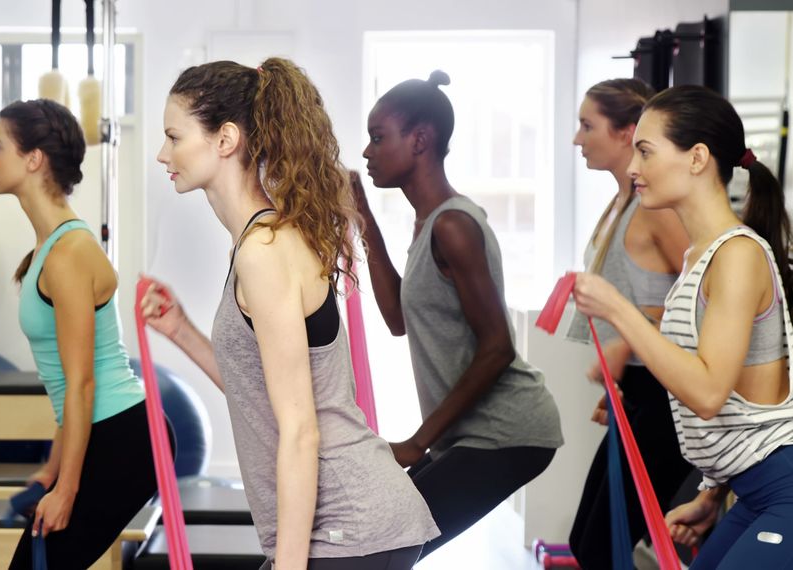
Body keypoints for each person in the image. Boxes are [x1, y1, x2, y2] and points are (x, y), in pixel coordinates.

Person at [141, 58, 438, 569]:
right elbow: (258, 389)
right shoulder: (257, 241)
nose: (162, 153)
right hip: (343, 524)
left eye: (174, 136)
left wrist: (289, 564)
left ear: (226, 139)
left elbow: (301, 428)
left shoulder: (264, 251)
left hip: (351, 523)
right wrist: (181, 331)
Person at [573, 85, 793, 569]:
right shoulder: (700, 255)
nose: (633, 168)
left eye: (645, 152)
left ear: (696, 158)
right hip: (750, 487)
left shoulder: (738, 253)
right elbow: (739, 392)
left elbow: (709, 391)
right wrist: (713, 491)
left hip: (783, 487)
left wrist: (619, 310)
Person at [350, 70, 563, 558]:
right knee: (383, 540)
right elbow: (397, 319)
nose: (367, 151)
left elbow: (498, 347)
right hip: (468, 437)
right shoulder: (427, 223)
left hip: (507, 432)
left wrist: (418, 441)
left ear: (420, 140)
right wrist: (361, 212)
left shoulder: (453, 224)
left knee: (387, 546)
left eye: (378, 138)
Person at [0, 98, 163, 569]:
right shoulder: (50, 247)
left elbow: (83, 384)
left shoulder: (69, 254)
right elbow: (68, 385)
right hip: (106, 431)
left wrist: (67, 488)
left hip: (123, 437)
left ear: (33, 159)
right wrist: (53, 467)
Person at [565, 79, 693, 569]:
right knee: (588, 544)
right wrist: (624, 366)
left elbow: (707, 299)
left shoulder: (655, 211)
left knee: (601, 550)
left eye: (587, 125)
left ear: (625, 134)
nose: (578, 139)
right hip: (640, 390)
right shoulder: (622, 203)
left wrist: (628, 342)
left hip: (668, 399)